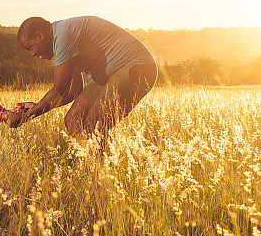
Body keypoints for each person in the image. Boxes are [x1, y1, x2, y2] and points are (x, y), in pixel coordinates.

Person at [13, 16, 158, 148]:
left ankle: (99, 172)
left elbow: (59, 89)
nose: (32, 54)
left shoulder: (63, 35)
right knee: (72, 120)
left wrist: (26, 116)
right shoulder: (63, 44)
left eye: (30, 48)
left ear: (40, 35)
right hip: (109, 76)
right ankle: (88, 163)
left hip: (137, 66)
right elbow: (73, 92)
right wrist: (37, 106)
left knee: (94, 126)